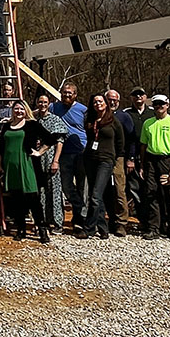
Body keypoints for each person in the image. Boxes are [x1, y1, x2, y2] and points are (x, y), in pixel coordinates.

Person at [0, 100, 56, 243]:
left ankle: (42, 230)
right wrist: (0, 167)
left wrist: (39, 152)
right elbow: (1, 148)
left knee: (33, 199)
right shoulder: (7, 126)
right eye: (16, 109)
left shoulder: (32, 125)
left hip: (28, 164)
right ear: (13, 110)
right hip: (11, 166)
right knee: (17, 199)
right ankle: (21, 229)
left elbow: (50, 138)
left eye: (21, 109)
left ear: (26, 111)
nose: (19, 111)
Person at [140, 94, 170, 243]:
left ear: (167, 105)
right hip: (151, 160)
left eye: (161, 104)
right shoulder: (148, 123)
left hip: (168, 160)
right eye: (156, 104)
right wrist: (142, 165)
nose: (159, 106)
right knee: (151, 194)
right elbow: (143, 146)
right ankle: (154, 227)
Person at [76, 94, 124, 240]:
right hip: (90, 159)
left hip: (106, 161)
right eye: (95, 102)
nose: (98, 104)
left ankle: (89, 229)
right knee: (97, 195)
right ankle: (103, 228)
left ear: (106, 103)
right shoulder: (90, 120)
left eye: (100, 101)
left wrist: (114, 159)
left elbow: (120, 143)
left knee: (96, 196)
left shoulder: (114, 121)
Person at [51, 82, 87, 231]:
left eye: (70, 93)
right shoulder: (54, 107)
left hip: (81, 152)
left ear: (75, 95)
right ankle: (80, 207)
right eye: (64, 93)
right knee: (66, 186)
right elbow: (35, 112)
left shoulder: (83, 110)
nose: (66, 95)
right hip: (63, 154)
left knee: (82, 187)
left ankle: (80, 220)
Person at [34, 94, 67, 233]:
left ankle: (57, 223)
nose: (42, 104)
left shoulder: (55, 120)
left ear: (49, 104)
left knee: (54, 190)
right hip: (35, 159)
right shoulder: (33, 119)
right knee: (38, 191)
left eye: (45, 102)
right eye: (40, 102)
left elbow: (60, 142)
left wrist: (56, 161)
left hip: (50, 157)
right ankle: (42, 221)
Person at [105, 89, 135, 237]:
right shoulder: (99, 115)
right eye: (110, 99)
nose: (112, 102)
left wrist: (131, 158)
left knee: (119, 190)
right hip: (102, 157)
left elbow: (131, 139)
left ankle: (121, 222)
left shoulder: (125, 117)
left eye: (115, 100)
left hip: (119, 158)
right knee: (102, 190)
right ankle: (107, 220)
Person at [124, 86, 154, 228]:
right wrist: (129, 158)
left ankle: (153, 221)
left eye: (141, 95)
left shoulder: (153, 114)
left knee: (151, 189)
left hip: (151, 156)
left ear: (145, 97)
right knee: (135, 189)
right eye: (135, 95)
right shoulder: (127, 114)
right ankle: (142, 219)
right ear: (131, 98)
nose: (138, 98)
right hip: (132, 156)